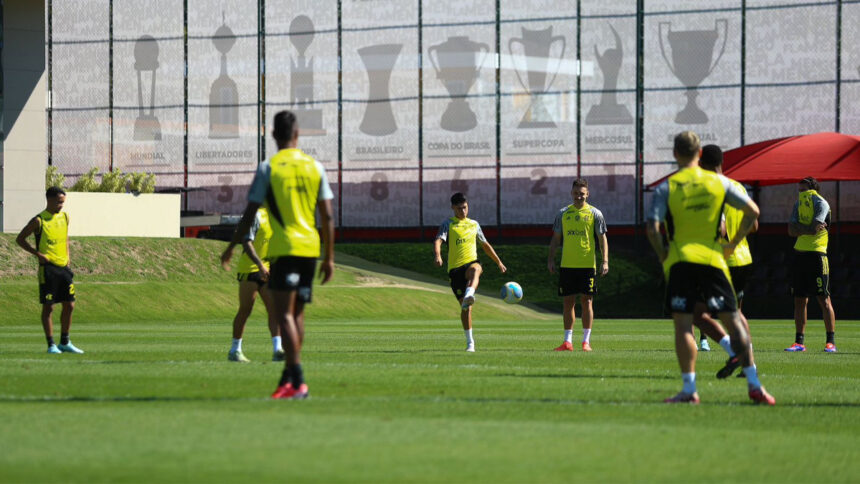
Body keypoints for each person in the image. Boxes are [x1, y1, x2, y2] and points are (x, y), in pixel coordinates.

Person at [646, 131, 774, 405]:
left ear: (675, 154)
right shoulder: (719, 182)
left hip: (681, 262)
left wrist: (662, 255)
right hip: (714, 261)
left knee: (683, 324)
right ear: (699, 153)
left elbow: (652, 228)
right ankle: (754, 384)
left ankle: (689, 389)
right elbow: (753, 212)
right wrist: (733, 243)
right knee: (734, 319)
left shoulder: (667, 187)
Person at [221, 110, 334, 399]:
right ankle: (288, 379)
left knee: (283, 313)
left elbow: (249, 212)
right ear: (298, 135)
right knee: (298, 315)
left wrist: (232, 246)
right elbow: (328, 217)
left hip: (284, 250)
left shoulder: (268, 168)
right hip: (310, 250)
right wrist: (330, 257)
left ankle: (298, 381)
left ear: (273, 135)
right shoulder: (315, 167)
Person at [695, 144, 758, 379]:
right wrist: (736, 241)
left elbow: (719, 229)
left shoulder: (711, 188)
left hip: (721, 261)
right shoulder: (738, 186)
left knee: (697, 312)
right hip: (743, 259)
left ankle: (736, 354)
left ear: (703, 164)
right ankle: (748, 362)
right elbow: (755, 224)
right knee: (736, 313)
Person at [433, 192, 507, 352]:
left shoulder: (474, 224)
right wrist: (438, 255)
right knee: (466, 309)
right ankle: (469, 342)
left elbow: (485, 245)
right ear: (453, 208)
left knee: (476, 268)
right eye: (459, 208)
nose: (463, 211)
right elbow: (438, 240)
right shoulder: (448, 224)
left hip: (470, 263)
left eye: (465, 208)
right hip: (455, 271)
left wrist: (499, 262)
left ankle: (470, 292)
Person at [15, 187, 84, 354]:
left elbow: (65, 237)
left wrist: (68, 257)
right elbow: (20, 239)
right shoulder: (39, 220)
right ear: (49, 200)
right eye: (59, 202)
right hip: (48, 269)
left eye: (63, 202)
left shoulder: (65, 217)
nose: (61, 205)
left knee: (70, 305)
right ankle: (51, 345)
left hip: (64, 268)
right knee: (49, 307)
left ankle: (65, 342)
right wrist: (37, 254)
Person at [547, 178, 608, 352]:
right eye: (576, 193)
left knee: (587, 301)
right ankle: (567, 342)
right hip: (567, 265)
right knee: (568, 302)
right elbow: (556, 239)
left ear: (587, 194)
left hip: (588, 265)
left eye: (582, 194)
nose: (578, 197)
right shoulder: (563, 214)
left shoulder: (595, 213)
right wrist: (550, 259)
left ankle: (586, 342)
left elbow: (602, 238)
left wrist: (605, 261)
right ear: (571, 193)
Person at [222, 207, 284, 363]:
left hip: (267, 269)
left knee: (275, 309)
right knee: (245, 310)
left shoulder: (275, 216)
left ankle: (278, 349)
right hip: (249, 269)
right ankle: (235, 350)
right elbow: (246, 242)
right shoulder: (256, 215)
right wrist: (259, 264)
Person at [786, 176, 837, 353]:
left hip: (817, 255)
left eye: (804, 190)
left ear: (813, 189)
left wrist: (802, 228)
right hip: (799, 255)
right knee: (799, 300)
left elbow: (813, 228)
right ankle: (799, 342)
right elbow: (791, 230)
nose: (801, 194)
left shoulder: (821, 203)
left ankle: (830, 342)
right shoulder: (797, 205)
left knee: (824, 299)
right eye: (799, 191)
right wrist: (806, 229)